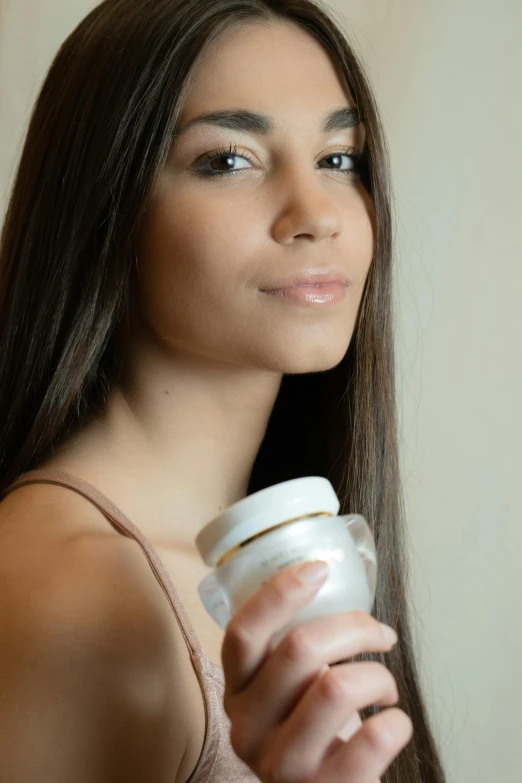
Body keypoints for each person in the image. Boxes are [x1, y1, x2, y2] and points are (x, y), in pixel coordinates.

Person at [0, 1, 447, 781]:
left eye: (339, 158)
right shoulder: (69, 593)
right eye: (228, 160)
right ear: (106, 206)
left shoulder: (293, 553)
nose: (317, 216)